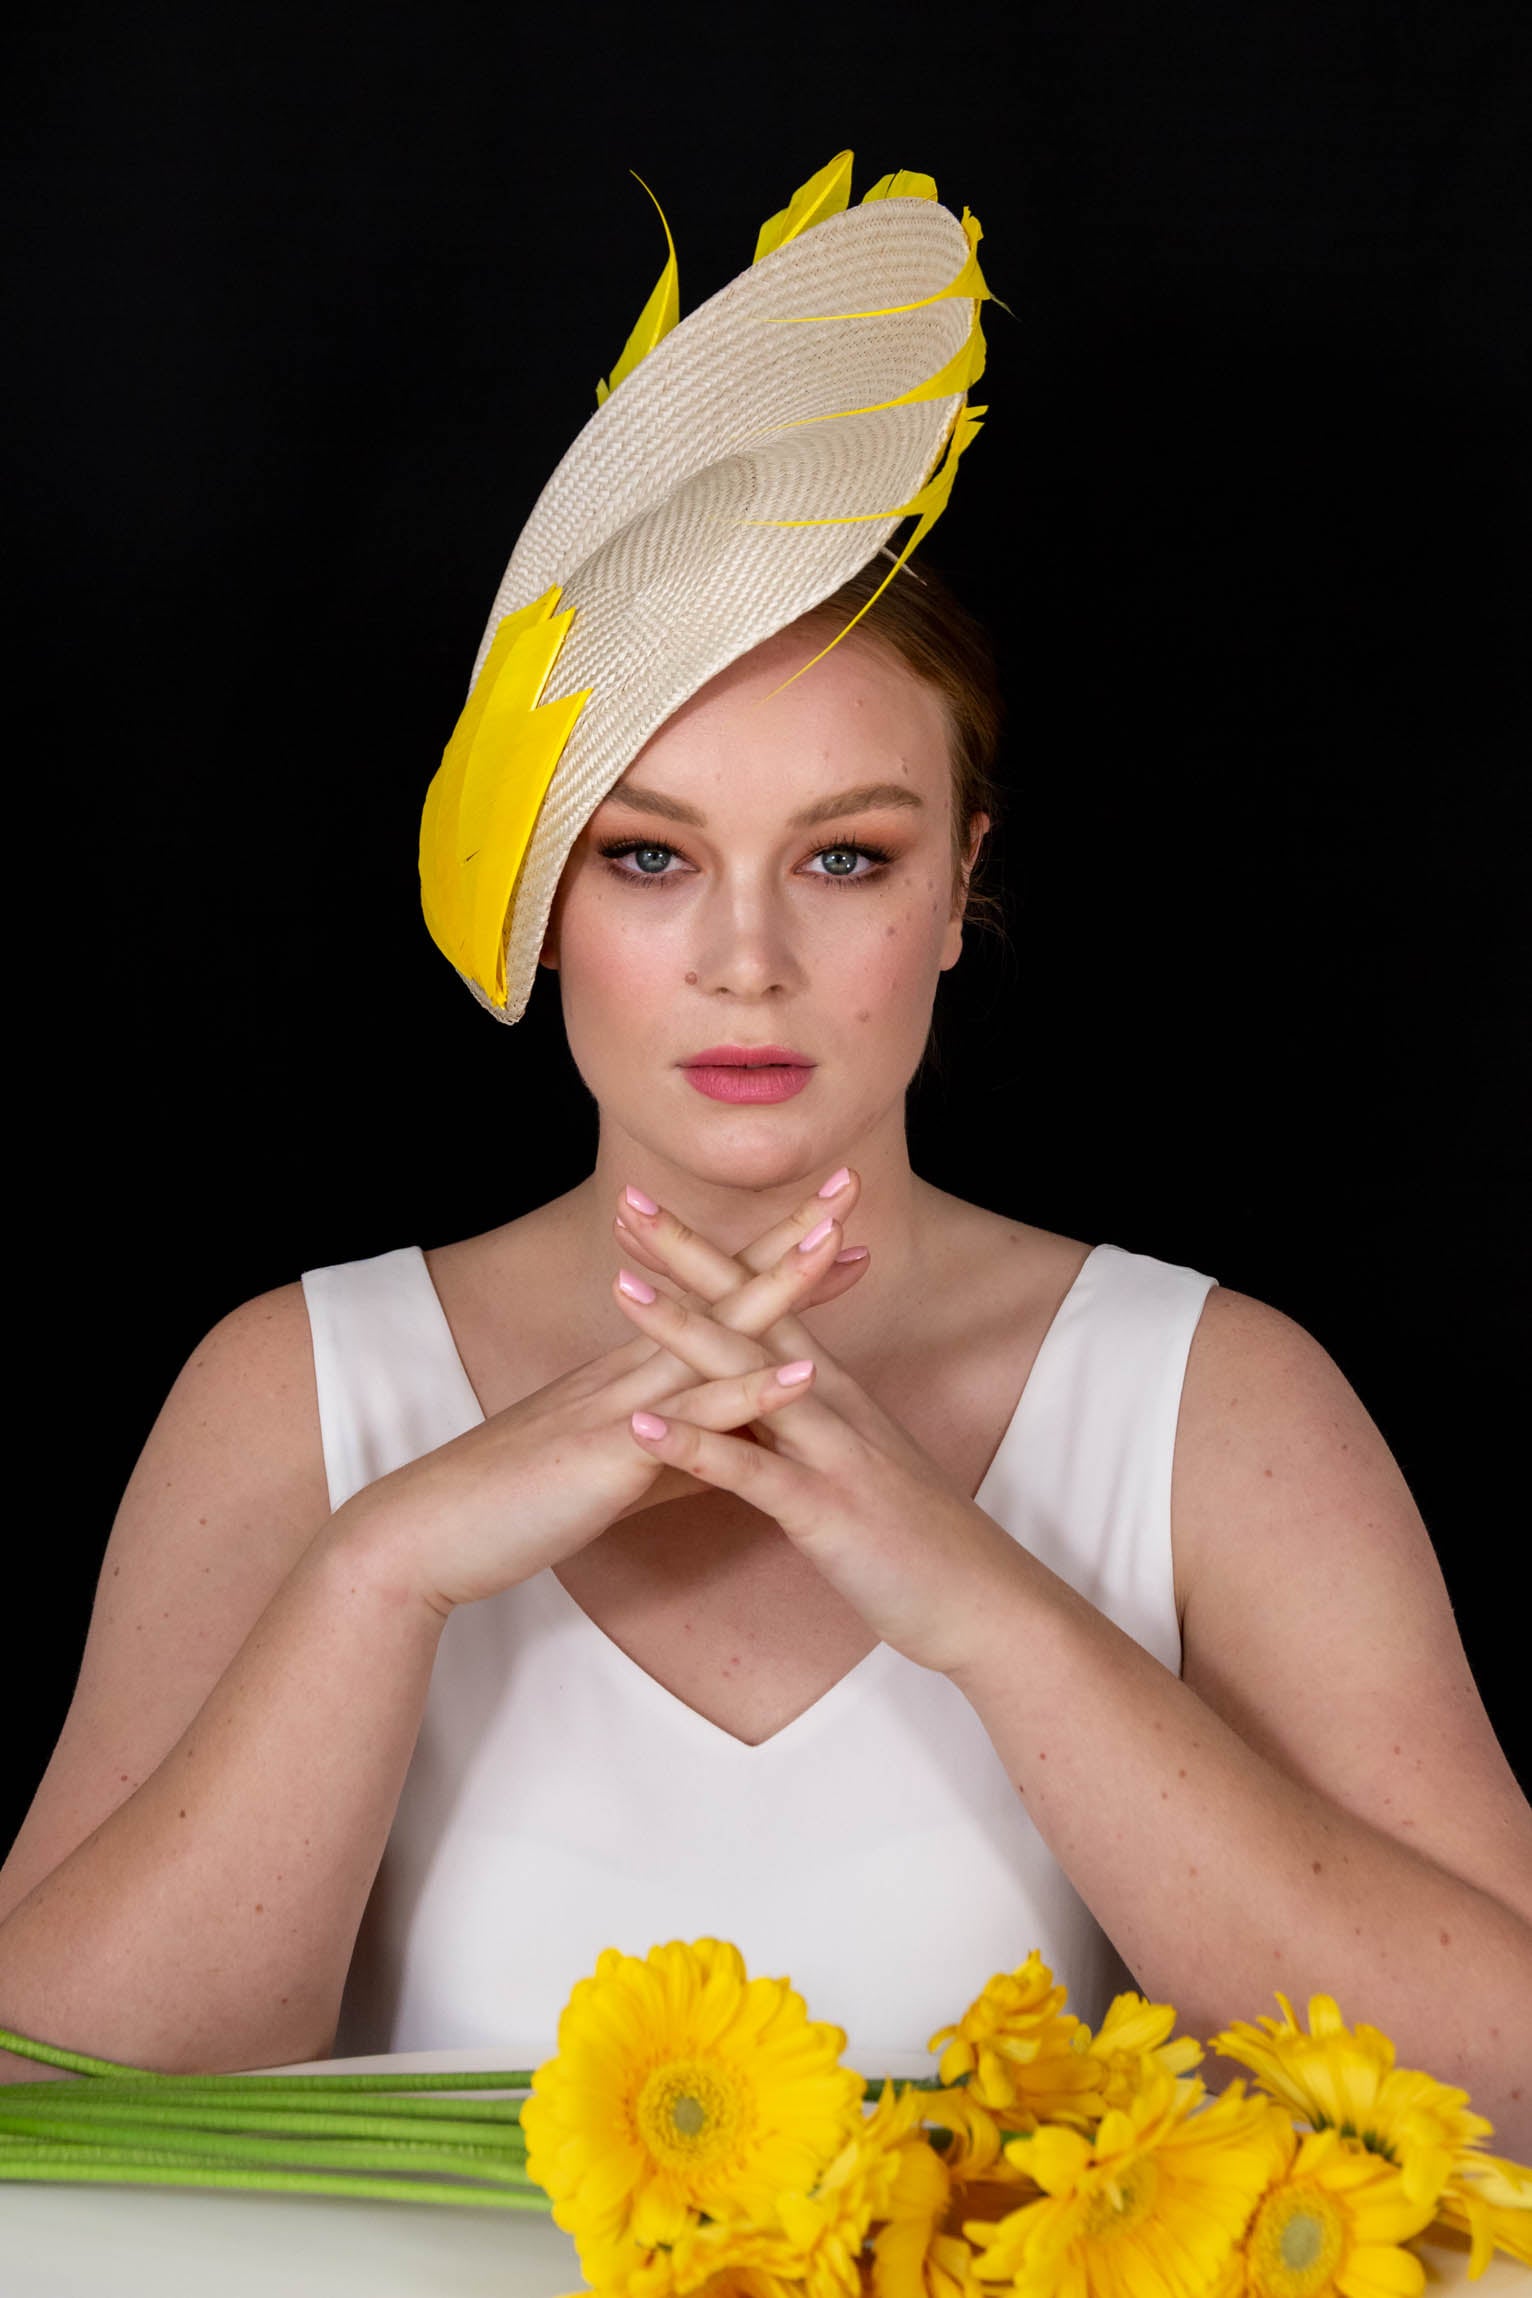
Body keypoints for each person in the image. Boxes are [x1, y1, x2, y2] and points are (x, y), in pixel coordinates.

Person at [2, 155, 1529, 2158]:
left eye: (842, 856)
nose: (744, 956)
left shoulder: (1209, 1400)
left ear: (959, 886)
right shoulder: (292, 1391)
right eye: (650, 856)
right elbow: (44, 2101)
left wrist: (986, 1601)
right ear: (542, 891)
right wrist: (383, 1575)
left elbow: (1504, 2081)